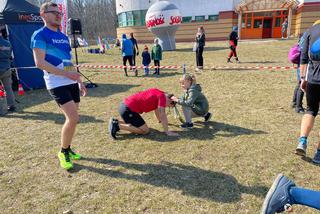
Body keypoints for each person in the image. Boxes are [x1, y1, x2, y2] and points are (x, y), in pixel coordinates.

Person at [31, 2, 87, 170]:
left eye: (59, 13)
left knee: (73, 119)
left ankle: (68, 148)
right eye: (53, 12)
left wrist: (79, 80)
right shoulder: (39, 35)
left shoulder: (63, 37)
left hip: (70, 81)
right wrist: (65, 75)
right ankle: (63, 152)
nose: (58, 15)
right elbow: (39, 63)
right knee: (73, 118)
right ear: (43, 14)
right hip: (56, 83)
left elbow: (67, 61)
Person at [108, 88, 179, 139]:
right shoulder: (162, 98)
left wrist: (159, 120)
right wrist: (167, 131)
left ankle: (116, 121)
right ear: (170, 100)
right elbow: (162, 114)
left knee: (137, 125)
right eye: (169, 106)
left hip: (124, 106)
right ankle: (117, 126)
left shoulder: (159, 92)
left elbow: (156, 109)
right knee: (145, 130)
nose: (166, 106)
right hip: (128, 109)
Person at [295, 20, 320, 164]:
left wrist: (303, 78)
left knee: (310, 110)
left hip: (313, 78)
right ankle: (319, 154)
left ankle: (302, 141)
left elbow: (303, 56)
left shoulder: (310, 31)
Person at [0, 25, 16, 115]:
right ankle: (11, 105)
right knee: (8, 89)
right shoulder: (8, 43)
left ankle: (0, 111)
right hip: (6, 68)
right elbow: (9, 55)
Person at [291, 34, 305, 114]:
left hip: (301, 65)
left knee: (299, 83)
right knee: (302, 85)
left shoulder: (302, 40)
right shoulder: (307, 41)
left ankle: (294, 102)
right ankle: (298, 107)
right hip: (304, 66)